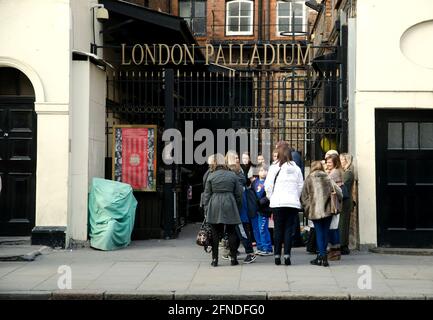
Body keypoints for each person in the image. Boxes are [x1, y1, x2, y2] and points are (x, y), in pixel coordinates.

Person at [264, 143, 304, 266]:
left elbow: (268, 186)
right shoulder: (296, 168)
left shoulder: (273, 167)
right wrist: (295, 197)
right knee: (288, 230)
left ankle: (277, 255)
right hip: (292, 203)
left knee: (278, 229)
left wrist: (272, 197)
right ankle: (287, 255)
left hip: (278, 203)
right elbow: (300, 185)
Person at [202, 153, 242, 267]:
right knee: (231, 232)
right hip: (229, 202)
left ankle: (215, 260)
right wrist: (237, 207)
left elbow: (207, 195)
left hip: (214, 203)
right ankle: (233, 258)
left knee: (215, 233)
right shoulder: (232, 175)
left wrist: (206, 209)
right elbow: (239, 194)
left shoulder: (211, 176)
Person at [301, 161, 342, 267]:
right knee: (325, 233)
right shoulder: (327, 177)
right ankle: (321, 257)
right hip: (328, 210)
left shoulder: (309, 179)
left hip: (315, 210)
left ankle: (322, 257)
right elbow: (339, 192)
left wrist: (308, 207)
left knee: (319, 233)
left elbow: (303, 196)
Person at [226, 151, 257, 264]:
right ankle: (232, 251)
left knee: (241, 230)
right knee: (235, 230)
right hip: (237, 206)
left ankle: (250, 252)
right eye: (235, 158)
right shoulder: (236, 171)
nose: (237, 159)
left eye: (237, 157)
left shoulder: (236, 171)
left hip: (239, 207)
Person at [325, 153, 344, 261]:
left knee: (333, 228)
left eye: (329, 162)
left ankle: (335, 252)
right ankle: (335, 251)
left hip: (333, 203)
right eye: (326, 162)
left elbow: (331, 188)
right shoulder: (337, 171)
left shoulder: (334, 173)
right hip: (336, 203)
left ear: (335, 162)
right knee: (334, 227)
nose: (327, 164)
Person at [251, 164, 273, 256]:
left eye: (264, 170)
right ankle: (260, 246)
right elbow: (252, 193)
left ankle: (267, 248)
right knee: (257, 229)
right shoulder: (255, 182)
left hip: (264, 209)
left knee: (263, 228)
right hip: (255, 209)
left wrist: (260, 202)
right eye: (260, 170)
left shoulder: (269, 182)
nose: (263, 172)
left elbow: (269, 196)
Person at [339, 153, 355, 255]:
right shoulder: (345, 172)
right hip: (344, 202)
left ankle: (343, 246)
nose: (340, 161)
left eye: (342, 159)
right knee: (342, 223)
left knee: (343, 224)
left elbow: (343, 187)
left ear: (347, 161)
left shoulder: (348, 173)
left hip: (345, 202)